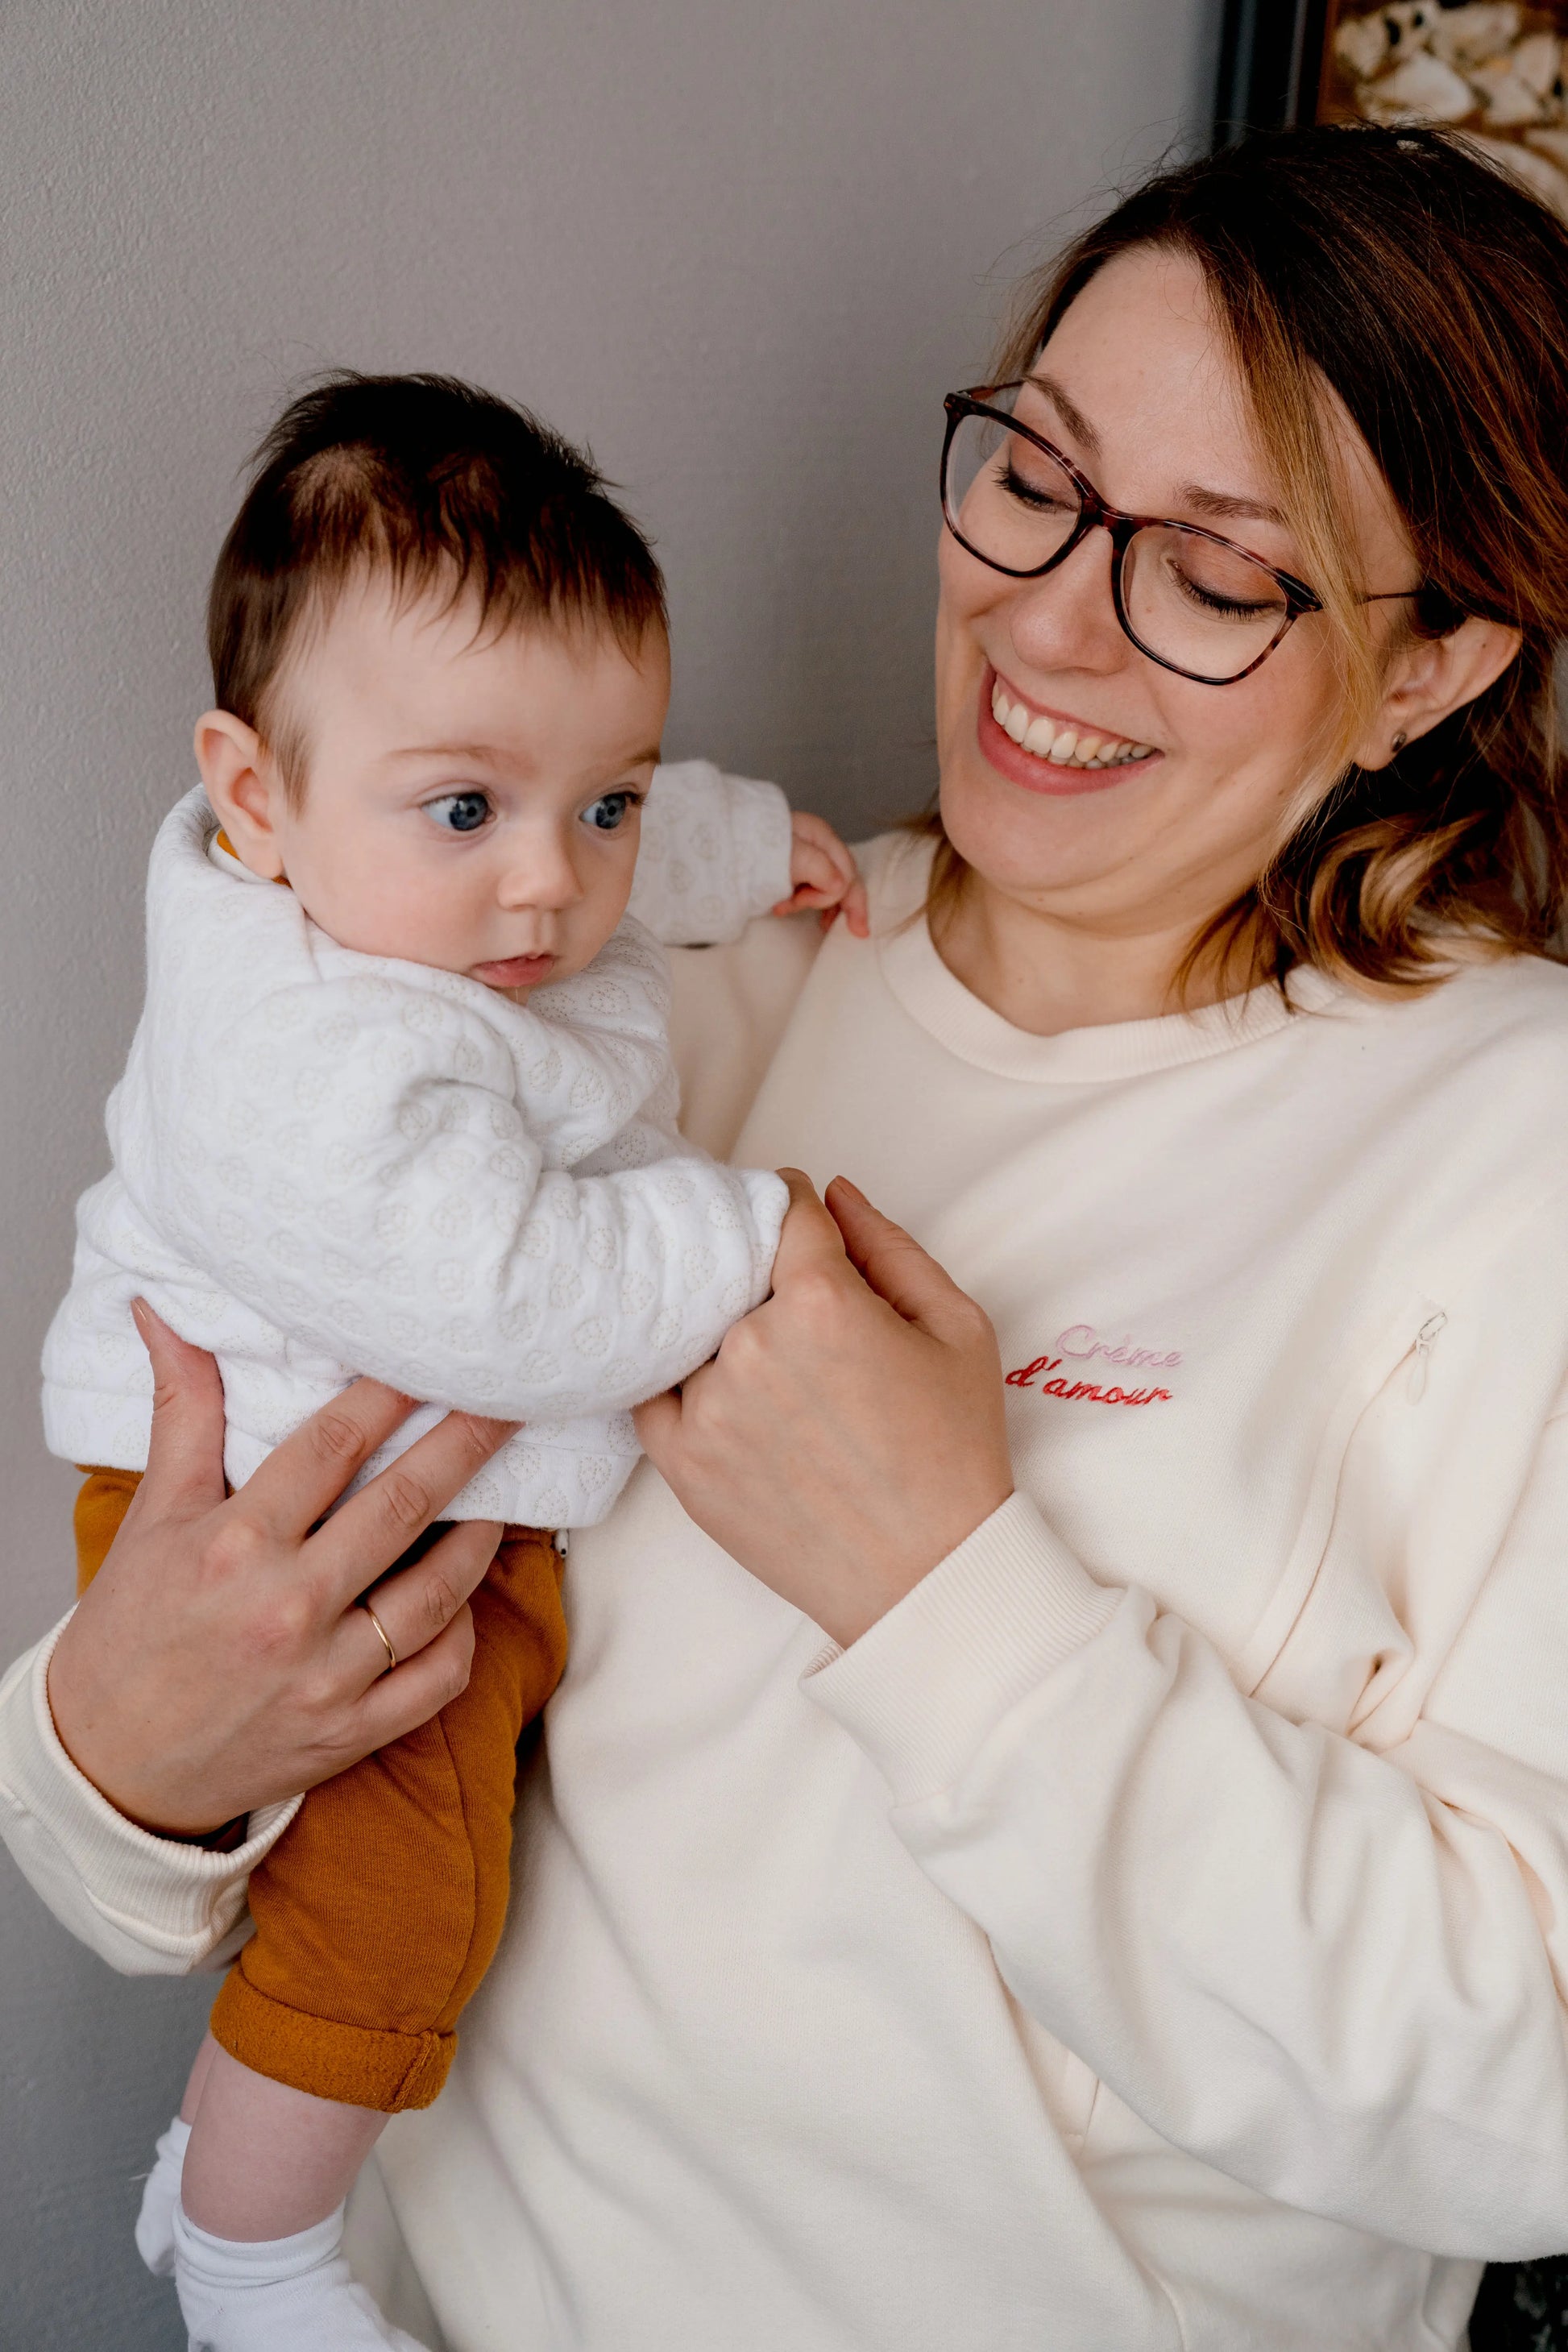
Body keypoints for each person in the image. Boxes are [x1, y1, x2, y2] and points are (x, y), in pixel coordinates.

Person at [6, 120, 1568, 2352]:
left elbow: (1530, 2103)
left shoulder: (1517, 1147)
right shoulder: (618, 1013)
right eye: (1032, 473)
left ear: (1433, 667)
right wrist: (127, 1758)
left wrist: (940, 1584)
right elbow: (134, 1836)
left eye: (1218, 571)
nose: (1043, 618)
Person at [32, 371, 865, 2352]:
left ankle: (228, 2166)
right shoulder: (307, 1052)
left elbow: (581, 836)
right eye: (472, 807)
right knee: (401, 1916)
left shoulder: (447, 877)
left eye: (614, 798)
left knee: (428, 1901)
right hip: (288, 1512)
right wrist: (740, 1232)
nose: (550, 884)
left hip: (401, 1489)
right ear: (255, 796)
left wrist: (745, 846)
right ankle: (245, 2255)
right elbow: (507, 1296)